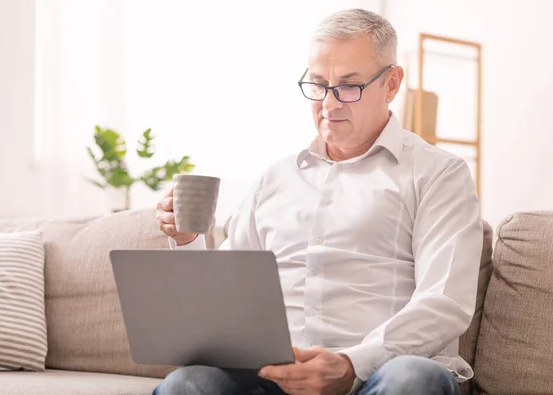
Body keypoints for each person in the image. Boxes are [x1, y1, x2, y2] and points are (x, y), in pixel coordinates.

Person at [154, 8, 482, 395]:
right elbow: (223, 301)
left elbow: (444, 302)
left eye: (348, 86)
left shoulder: (438, 174)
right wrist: (190, 239)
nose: (328, 104)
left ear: (391, 84)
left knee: (414, 380)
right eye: (318, 85)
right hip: (273, 373)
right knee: (188, 383)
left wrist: (350, 364)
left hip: (381, 373)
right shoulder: (275, 179)